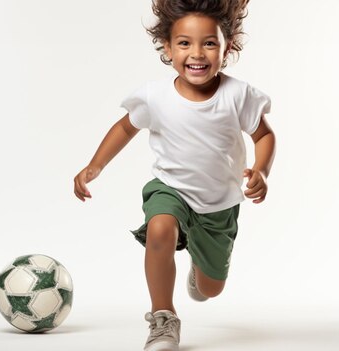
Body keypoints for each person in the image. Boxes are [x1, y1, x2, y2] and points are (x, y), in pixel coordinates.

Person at [74, 0, 275, 350]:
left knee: (210, 290)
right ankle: (163, 318)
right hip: (170, 190)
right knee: (160, 229)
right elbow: (125, 127)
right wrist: (95, 166)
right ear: (167, 47)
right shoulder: (155, 96)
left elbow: (264, 135)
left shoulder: (238, 95)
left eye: (209, 43)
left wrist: (261, 169)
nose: (197, 53)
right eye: (184, 43)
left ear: (227, 47)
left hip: (218, 204)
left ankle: (201, 263)